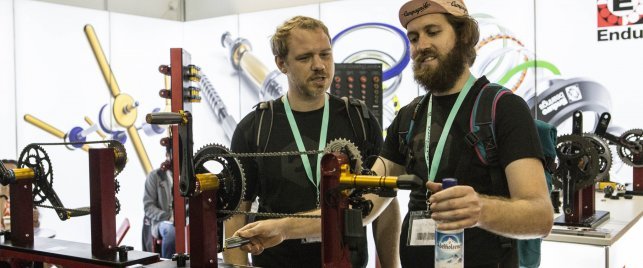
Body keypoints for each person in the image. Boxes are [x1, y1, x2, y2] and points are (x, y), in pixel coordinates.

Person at [370, 1, 555, 267]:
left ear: (463, 36)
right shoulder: (409, 117)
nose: (421, 46)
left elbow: (540, 217)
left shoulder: (503, 108)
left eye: (433, 32)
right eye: (414, 37)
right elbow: (371, 195)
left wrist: (480, 209)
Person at [225, 16, 400, 268]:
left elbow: (384, 202)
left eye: (325, 54)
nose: (319, 65)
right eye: (305, 57)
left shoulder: (359, 120)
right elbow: (235, 216)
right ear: (281, 64)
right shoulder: (256, 127)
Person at [143, 167, 175, 259]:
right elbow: (148, 207)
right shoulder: (154, 176)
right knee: (171, 232)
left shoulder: (185, 177)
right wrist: (168, 216)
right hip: (162, 222)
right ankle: (168, 264)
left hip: (183, 220)